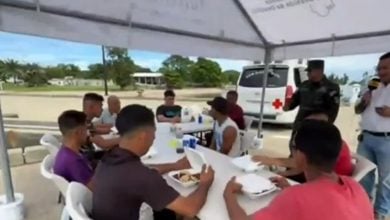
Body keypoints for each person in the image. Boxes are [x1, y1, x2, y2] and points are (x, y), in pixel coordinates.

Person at [223, 120, 374, 220]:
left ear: (300, 156)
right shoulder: (356, 187)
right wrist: (291, 189)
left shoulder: (295, 197)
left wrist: (228, 194)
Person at [93, 104, 215, 220]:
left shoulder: (109, 158)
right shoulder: (141, 176)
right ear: (143, 135)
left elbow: (143, 173)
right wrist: (205, 183)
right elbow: (190, 208)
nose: (154, 138)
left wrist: (175, 165)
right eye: (154, 132)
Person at [252, 112, 353, 183]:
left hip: (329, 186)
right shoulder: (329, 140)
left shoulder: (323, 144)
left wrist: (271, 160)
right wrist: (282, 173)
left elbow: (302, 162)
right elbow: (305, 165)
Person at [355, 52, 390, 220]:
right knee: (363, 176)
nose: (381, 72)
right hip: (366, 138)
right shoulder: (372, 87)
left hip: (387, 140)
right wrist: (364, 101)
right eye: (379, 68)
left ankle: (380, 214)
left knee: (386, 181)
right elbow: (356, 110)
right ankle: (363, 210)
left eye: (385, 68)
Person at [284, 60, 340, 151]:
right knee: (294, 152)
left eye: (310, 71)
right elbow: (293, 102)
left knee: (312, 156)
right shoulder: (304, 85)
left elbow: (333, 111)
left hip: (317, 129)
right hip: (300, 126)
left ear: (319, 71)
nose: (308, 74)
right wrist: (287, 105)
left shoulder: (331, 87)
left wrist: (323, 118)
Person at [53, 110, 93, 190]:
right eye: (85, 129)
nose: (87, 133)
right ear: (78, 132)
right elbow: (94, 188)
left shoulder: (66, 152)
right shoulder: (73, 161)